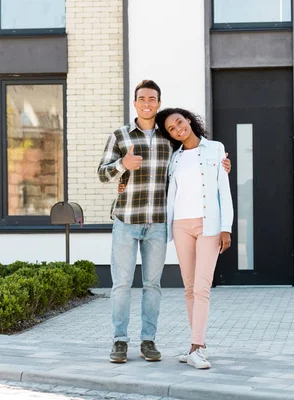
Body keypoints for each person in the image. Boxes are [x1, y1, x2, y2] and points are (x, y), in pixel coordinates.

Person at [97, 81, 230, 364]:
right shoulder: (120, 136)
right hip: (126, 219)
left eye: (152, 99)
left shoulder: (169, 140)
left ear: (158, 104)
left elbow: (196, 161)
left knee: (152, 285)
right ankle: (119, 341)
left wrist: (222, 163)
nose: (147, 103)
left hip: (158, 222)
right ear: (135, 103)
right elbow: (102, 174)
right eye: (141, 98)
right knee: (121, 284)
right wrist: (123, 166)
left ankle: (149, 341)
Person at [155, 107, 233, 369]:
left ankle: (197, 348)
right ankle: (196, 344)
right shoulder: (174, 158)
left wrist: (227, 227)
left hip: (208, 226)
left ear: (188, 120)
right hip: (180, 226)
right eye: (172, 129)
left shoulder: (215, 149)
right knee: (189, 288)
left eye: (179, 122)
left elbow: (224, 189)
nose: (178, 129)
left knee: (202, 287)